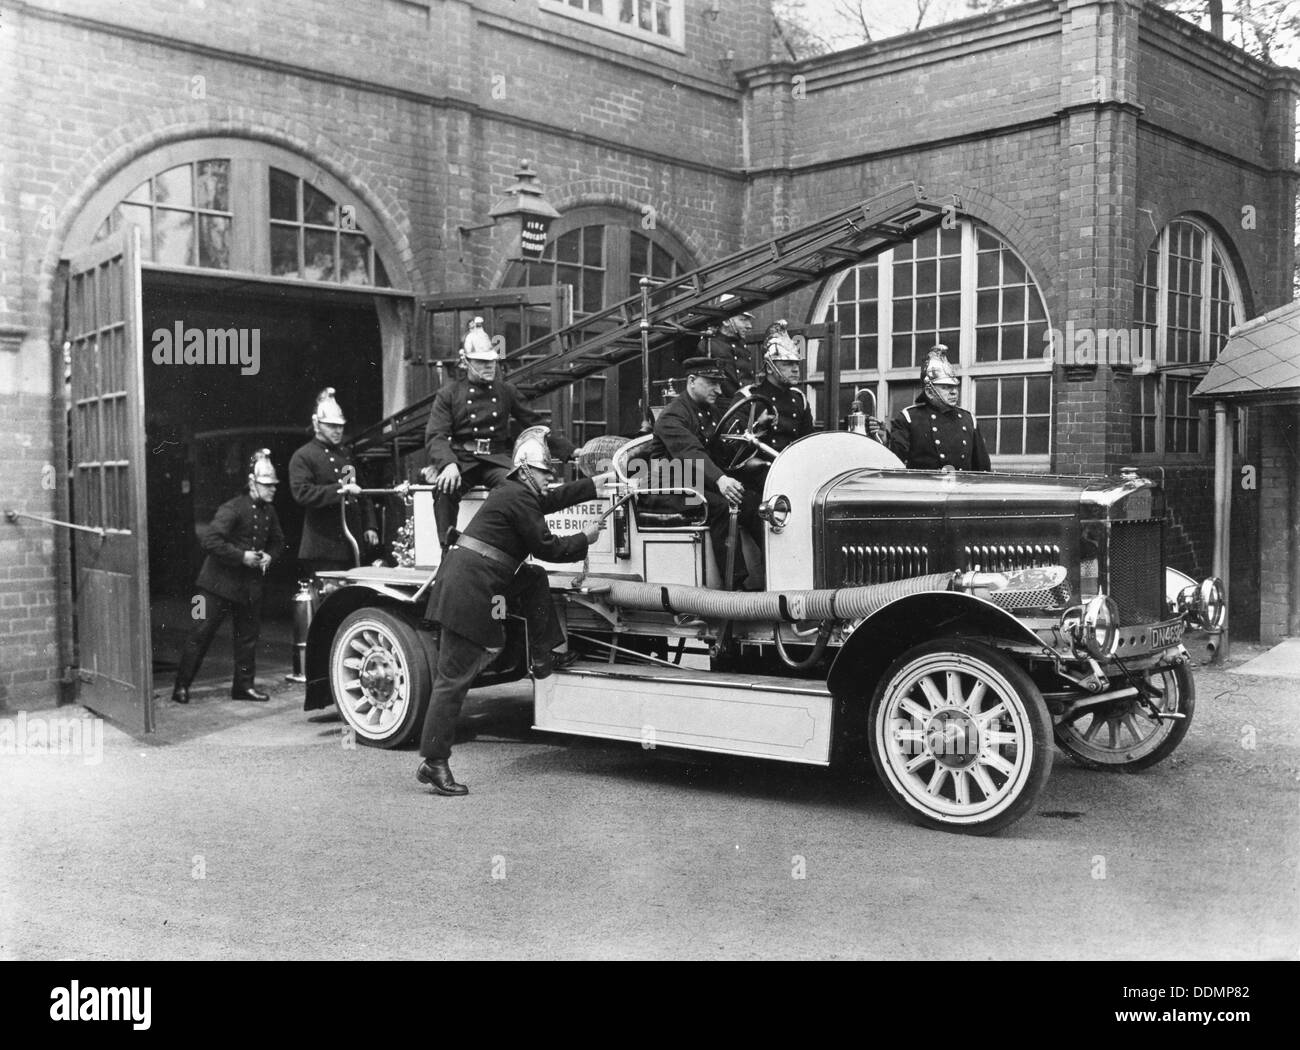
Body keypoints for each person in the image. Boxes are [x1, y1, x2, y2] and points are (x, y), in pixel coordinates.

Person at [415, 427, 610, 796]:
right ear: (524, 470)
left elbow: (549, 502)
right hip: (471, 588)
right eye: (544, 472)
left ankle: (543, 653)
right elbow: (548, 546)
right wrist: (585, 537)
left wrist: (592, 485)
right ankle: (434, 761)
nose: (550, 477)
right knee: (452, 681)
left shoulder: (517, 492)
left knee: (533, 576)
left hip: (480, 580)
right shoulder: (519, 495)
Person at [422, 317, 575, 547]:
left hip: (496, 459)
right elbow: (436, 434)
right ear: (466, 362)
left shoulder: (506, 390)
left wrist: (570, 451)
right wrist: (448, 464)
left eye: (492, 361)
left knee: (517, 489)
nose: (489, 366)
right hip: (464, 461)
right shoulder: (450, 394)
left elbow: (534, 424)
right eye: (482, 362)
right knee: (444, 490)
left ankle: (515, 547)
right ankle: (448, 550)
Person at [172, 450, 285, 704]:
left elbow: (279, 542)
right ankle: (181, 686)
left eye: (274, 486)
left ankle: (243, 687)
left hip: (248, 588)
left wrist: (269, 556)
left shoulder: (270, 512)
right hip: (212, 587)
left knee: (247, 638)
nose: (273, 490)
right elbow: (210, 540)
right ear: (253, 483)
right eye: (267, 486)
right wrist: (241, 556)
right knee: (198, 632)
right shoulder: (233, 508)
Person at [643, 357, 764, 589]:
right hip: (671, 489)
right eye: (712, 383)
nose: (719, 390)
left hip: (697, 483)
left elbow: (721, 447)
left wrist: (754, 433)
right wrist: (720, 479)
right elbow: (691, 452)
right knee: (722, 507)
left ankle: (774, 573)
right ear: (692, 381)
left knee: (752, 502)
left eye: (719, 384)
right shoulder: (672, 416)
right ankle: (735, 585)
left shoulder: (710, 411)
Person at [289, 387, 379, 575]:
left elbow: (362, 492)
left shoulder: (345, 455)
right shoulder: (304, 456)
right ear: (317, 425)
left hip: (352, 542)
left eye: (340, 426)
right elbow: (302, 493)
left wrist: (370, 525)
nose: (337, 431)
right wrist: (341, 489)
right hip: (323, 546)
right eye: (331, 426)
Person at [876, 345, 991, 471]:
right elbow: (894, 464)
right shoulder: (909, 418)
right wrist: (885, 440)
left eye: (954, 386)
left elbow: (982, 468)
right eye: (945, 387)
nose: (954, 392)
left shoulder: (968, 419)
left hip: (961, 488)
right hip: (924, 488)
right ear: (929, 392)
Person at [734, 319, 815, 463]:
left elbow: (809, 444)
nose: (795, 369)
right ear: (770, 367)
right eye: (788, 364)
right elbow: (731, 450)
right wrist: (758, 426)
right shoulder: (748, 398)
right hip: (760, 474)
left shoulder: (799, 399)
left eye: (796, 363)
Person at [696, 298, 755, 402]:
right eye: (743, 320)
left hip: (746, 403)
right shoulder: (708, 344)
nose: (749, 326)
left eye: (749, 320)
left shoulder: (741, 344)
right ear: (727, 321)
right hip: (722, 408)